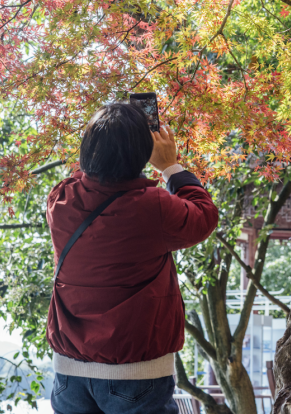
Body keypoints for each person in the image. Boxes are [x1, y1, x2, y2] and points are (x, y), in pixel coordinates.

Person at [47, 103, 219, 414]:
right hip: (135, 374)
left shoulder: (61, 199)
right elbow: (204, 217)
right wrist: (169, 166)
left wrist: (110, 138)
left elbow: (87, 177)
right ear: (142, 154)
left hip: (69, 372)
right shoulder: (152, 207)